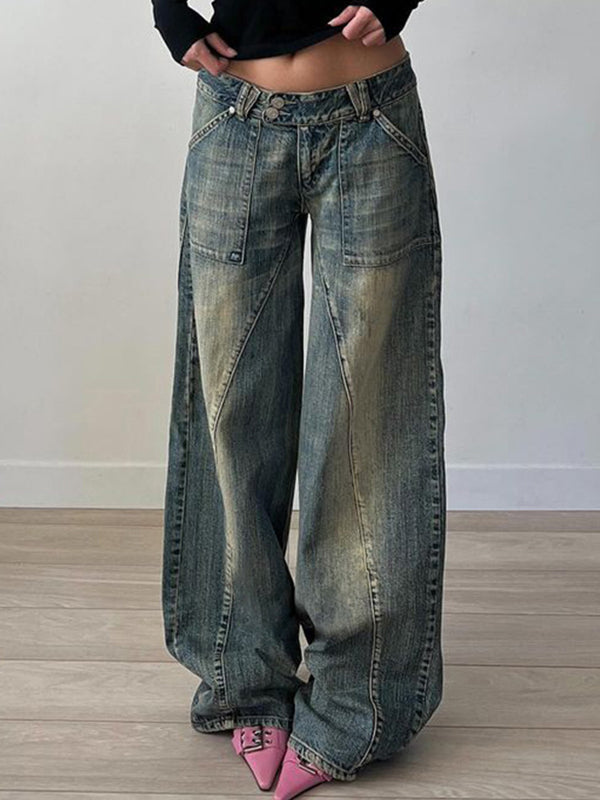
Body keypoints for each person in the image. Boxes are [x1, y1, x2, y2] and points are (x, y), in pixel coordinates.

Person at [151, 2, 447, 798]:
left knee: (368, 420)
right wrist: (166, 10)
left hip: (372, 118)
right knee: (229, 411)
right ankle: (244, 679)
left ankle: (358, 703)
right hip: (234, 117)